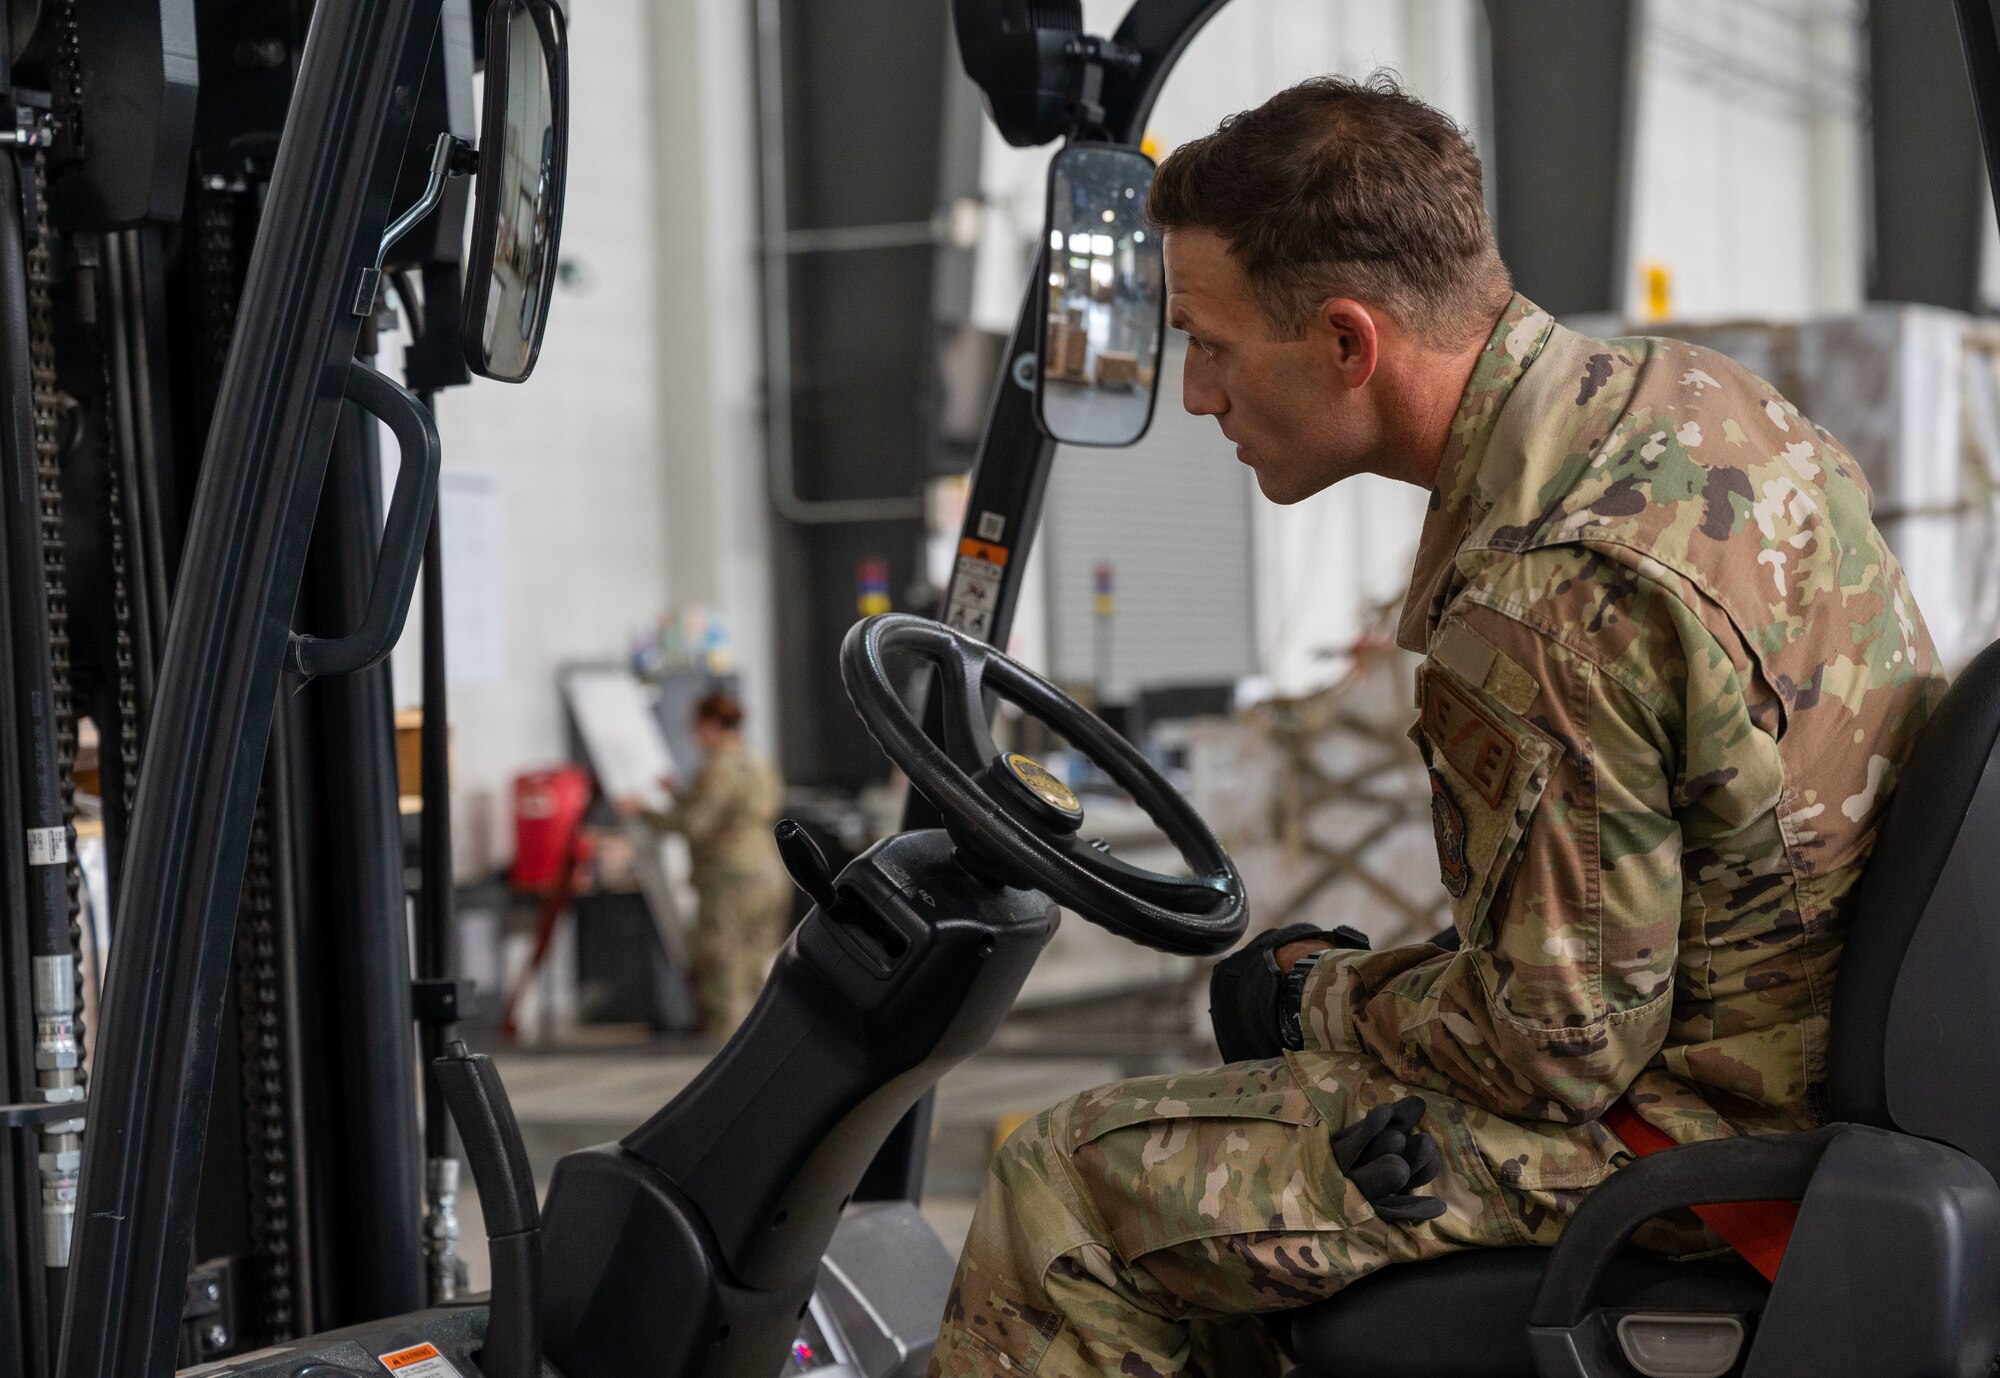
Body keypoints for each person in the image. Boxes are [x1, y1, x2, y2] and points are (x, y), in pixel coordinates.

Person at [930, 73, 1944, 1378]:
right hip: (1802, 1070)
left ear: (1349, 343)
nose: (1196, 394)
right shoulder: (1706, 410)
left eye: (1211, 344)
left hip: (1695, 1149)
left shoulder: (1541, 600)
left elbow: (1558, 1046)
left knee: (1061, 1184)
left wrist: (1318, 994)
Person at [620, 691, 791, 1038]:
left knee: (722, 970)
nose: (693, 735)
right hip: (768, 870)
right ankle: (758, 1050)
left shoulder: (719, 766)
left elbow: (697, 824)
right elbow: (730, 810)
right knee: (755, 969)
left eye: (696, 727)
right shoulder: (757, 762)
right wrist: (679, 793)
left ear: (712, 725)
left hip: (730, 878)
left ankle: (724, 1055)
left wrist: (645, 812)